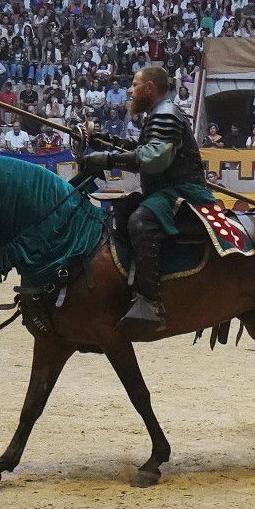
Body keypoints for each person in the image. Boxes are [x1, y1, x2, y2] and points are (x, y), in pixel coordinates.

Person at [80, 67, 212, 334]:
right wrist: (107, 142)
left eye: (135, 84)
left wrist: (106, 159)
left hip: (181, 192)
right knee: (125, 209)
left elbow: (155, 159)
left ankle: (151, 302)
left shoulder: (166, 113)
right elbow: (144, 150)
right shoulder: (158, 114)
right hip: (166, 191)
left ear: (150, 87)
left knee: (142, 220)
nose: (130, 90)